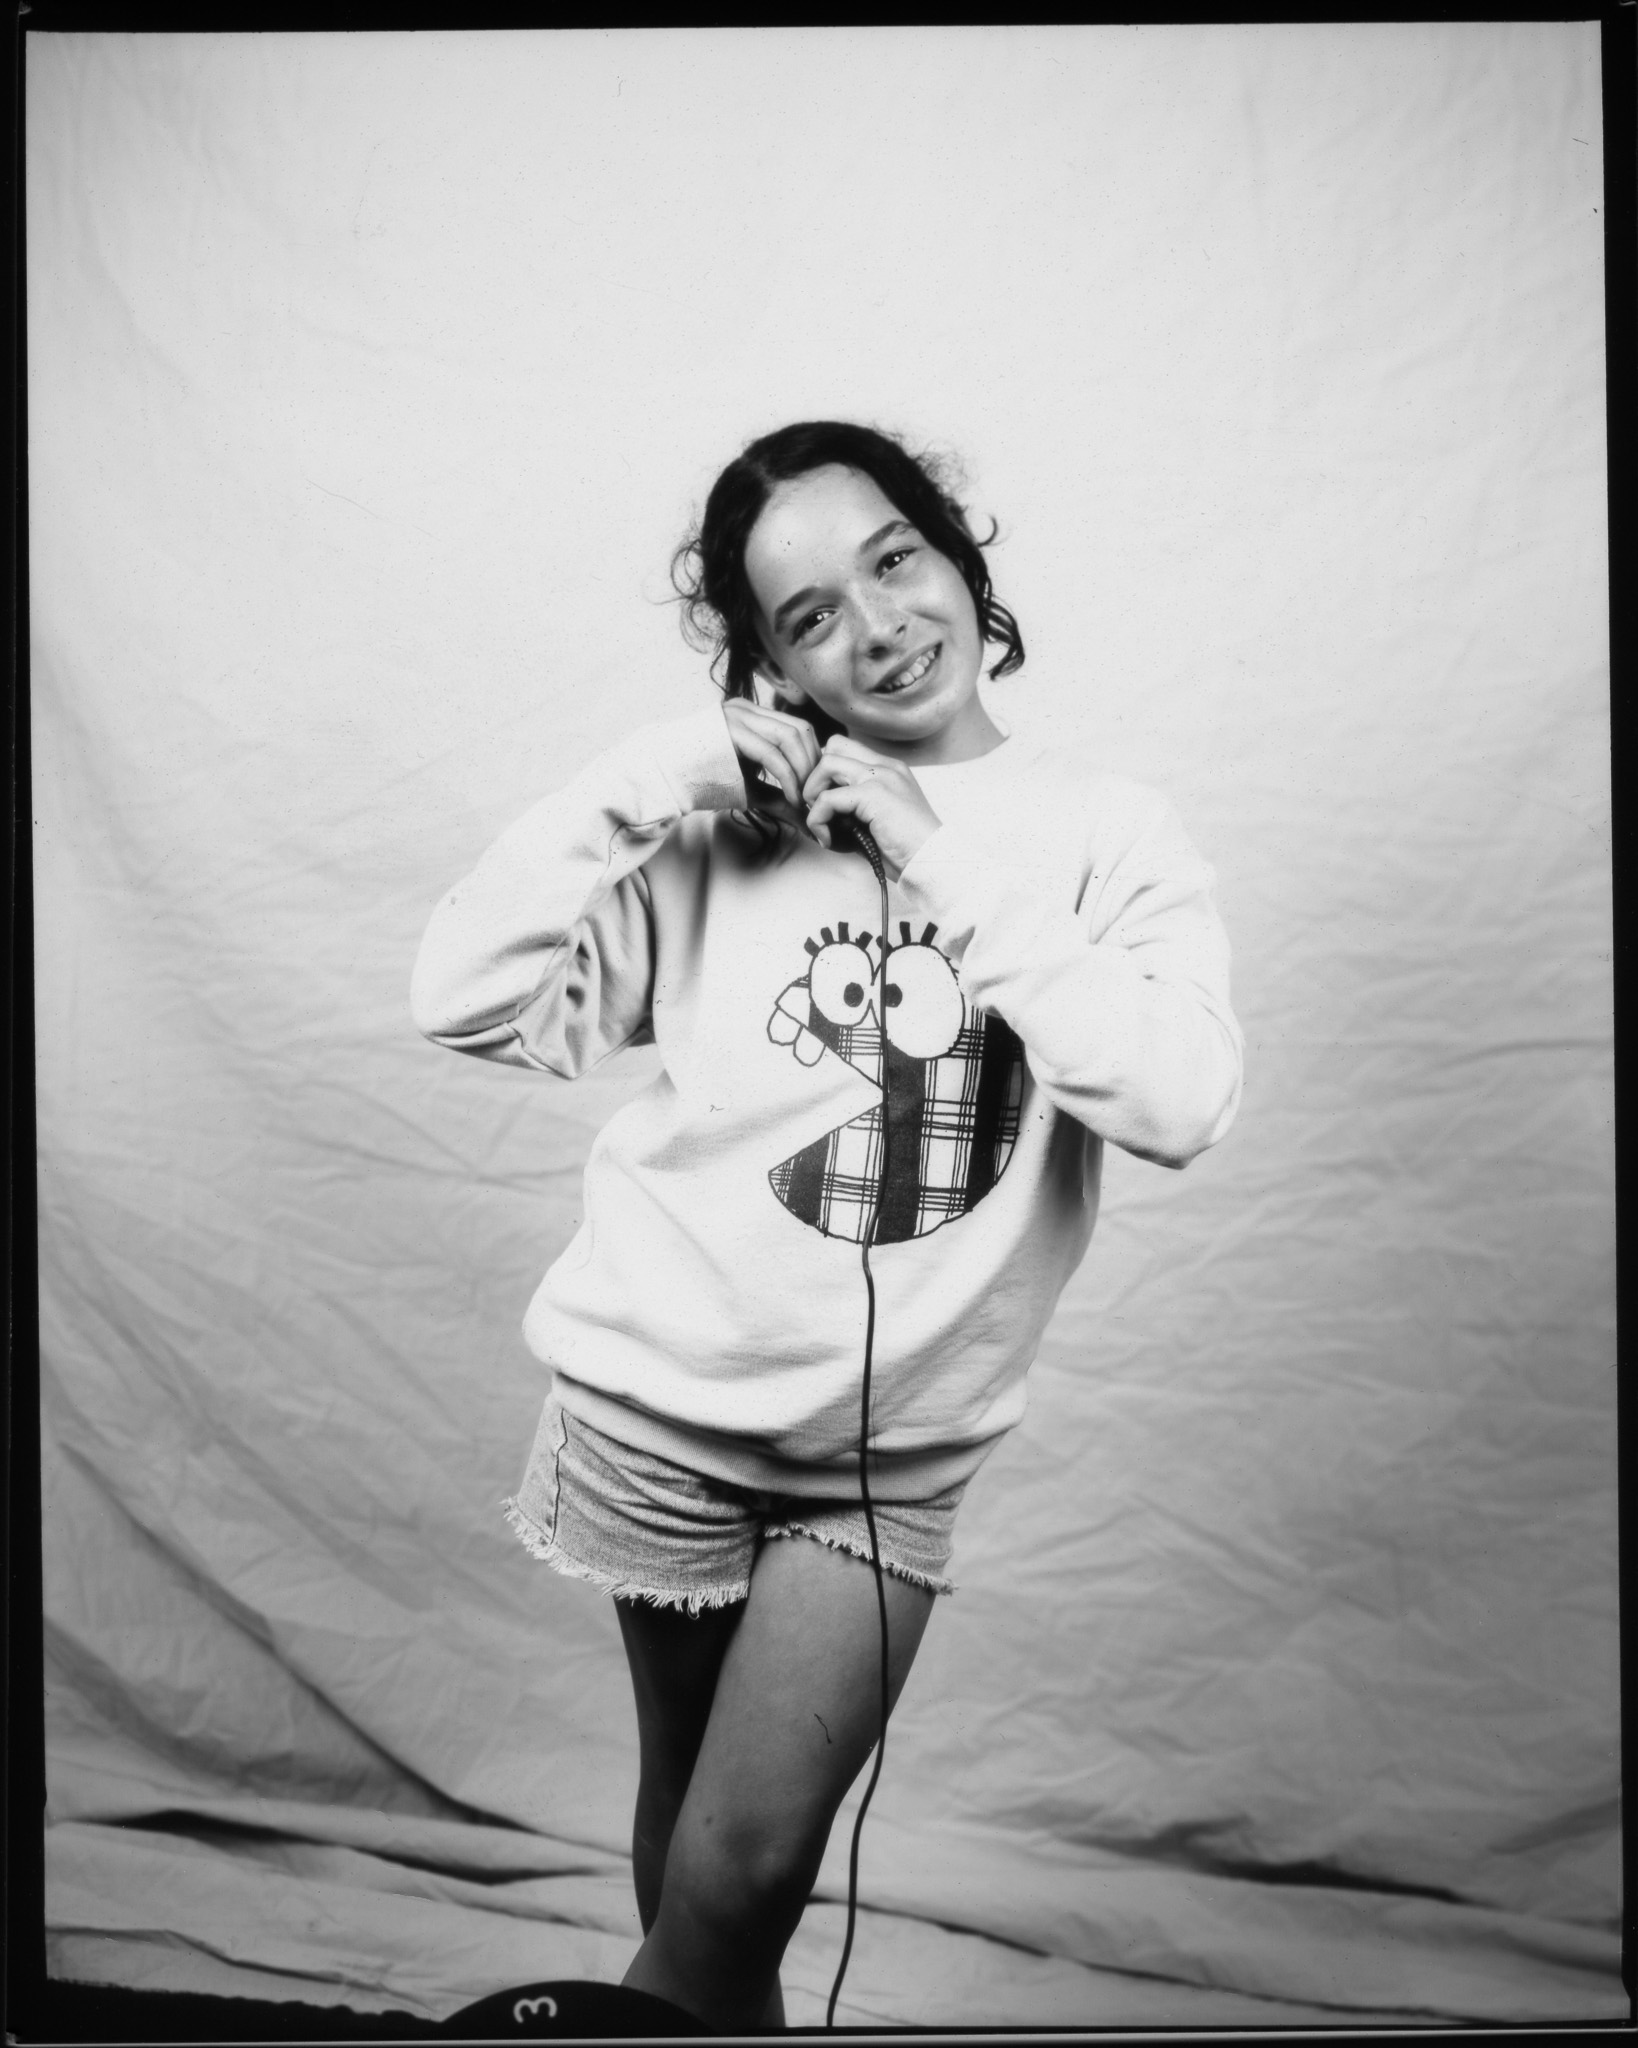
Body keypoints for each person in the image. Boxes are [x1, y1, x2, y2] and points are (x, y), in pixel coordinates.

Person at [410, 420, 1244, 2032]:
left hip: (886, 1456)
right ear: (769, 667)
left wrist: (938, 857)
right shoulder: (724, 835)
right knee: (694, 1840)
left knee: (743, 1866)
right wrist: (657, 779)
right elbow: (460, 999)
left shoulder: (1103, 833)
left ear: (956, 554)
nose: (875, 626)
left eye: (893, 559)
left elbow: (1177, 1101)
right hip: (652, 1410)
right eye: (806, 617)